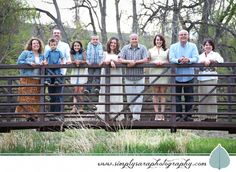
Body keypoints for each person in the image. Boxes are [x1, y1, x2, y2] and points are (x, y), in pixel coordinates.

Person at [169, 29, 199, 121]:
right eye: (181, 35)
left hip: (189, 75)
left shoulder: (193, 46)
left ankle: (188, 116)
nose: (183, 36)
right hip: (176, 75)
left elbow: (196, 58)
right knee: (176, 97)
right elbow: (171, 58)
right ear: (179, 36)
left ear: (188, 36)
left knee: (189, 96)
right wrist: (179, 60)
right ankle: (178, 116)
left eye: (185, 34)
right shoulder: (173, 46)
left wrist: (188, 60)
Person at [119, 33, 149, 122]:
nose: (134, 40)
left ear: (138, 39)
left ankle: (136, 117)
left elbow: (146, 59)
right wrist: (129, 61)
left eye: (136, 38)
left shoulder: (143, 48)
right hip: (128, 77)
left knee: (139, 97)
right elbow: (120, 59)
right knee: (130, 98)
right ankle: (133, 115)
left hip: (140, 77)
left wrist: (135, 62)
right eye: (133, 39)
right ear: (130, 40)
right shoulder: (125, 48)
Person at [15, 37, 45, 121]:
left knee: (35, 97)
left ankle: (34, 115)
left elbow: (44, 65)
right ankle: (24, 115)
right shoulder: (26, 53)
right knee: (25, 97)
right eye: (34, 43)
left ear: (40, 45)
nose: (36, 45)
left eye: (37, 43)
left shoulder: (42, 55)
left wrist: (43, 64)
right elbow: (19, 62)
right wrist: (28, 63)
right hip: (27, 78)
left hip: (38, 79)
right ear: (31, 45)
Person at [44, 28, 70, 120]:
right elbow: (45, 58)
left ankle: (58, 114)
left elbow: (67, 58)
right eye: (55, 33)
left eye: (58, 33)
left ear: (60, 34)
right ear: (52, 34)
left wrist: (65, 63)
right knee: (51, 94)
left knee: (58, 94)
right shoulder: (47, 46)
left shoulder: (65, 45)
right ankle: (52, 113)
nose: (56, 34)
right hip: (49, 72)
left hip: (60, 72)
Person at [97, 37, 124, 121]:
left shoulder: (119, 54)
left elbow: (121, 62)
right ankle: (104, 114)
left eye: (115, 43)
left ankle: (115, 115)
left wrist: (112, 60)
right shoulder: (105, 53)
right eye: (111, 43)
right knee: (105, 92)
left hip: (116, 76)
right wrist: (107, 62)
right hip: (106, 75)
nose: (113, 44)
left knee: (115, 93)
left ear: (117, 45)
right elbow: (99, 63)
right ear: (109, 44)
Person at [197, 39, 224, 121]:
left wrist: (212, 60)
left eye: (209, 45)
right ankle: (202, 117)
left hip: (211, 77)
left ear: (212, 46)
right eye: (206, 45)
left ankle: (212, 117)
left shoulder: (215, 54)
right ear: (203, 46)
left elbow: (221, 61)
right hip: (201, 77)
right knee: (202, 97)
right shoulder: (200, 55)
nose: (208, 46)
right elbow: (195, 65)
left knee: (211, 97)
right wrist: (202, 61)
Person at [149, 34, 169, 121]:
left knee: (163, 93)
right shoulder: (150, 50)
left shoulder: (167, 50)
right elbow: (147, 61)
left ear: (163, 41)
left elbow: (169, 61)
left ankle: (162, 114)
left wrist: (163, 63)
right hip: (154, 73)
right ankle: (157, 114)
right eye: (157, 40)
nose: (159, 41)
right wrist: (154, 63)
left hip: (163, 73)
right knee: (155, 94)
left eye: (160, 40)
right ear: (155, 41)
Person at [70, 40, 87, 113]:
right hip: (75, 73)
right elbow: (71, 61)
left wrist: (79, 62)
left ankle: (81, 107)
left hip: (82, 72)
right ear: (73, 47)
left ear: (80, 46)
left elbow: (85, 60)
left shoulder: (83, 52)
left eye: (78, 45)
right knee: (75, 90)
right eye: (75, 46)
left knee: (81, 90)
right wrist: (75, 62)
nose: (76, 47)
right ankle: (74, 107)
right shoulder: (71, 53)